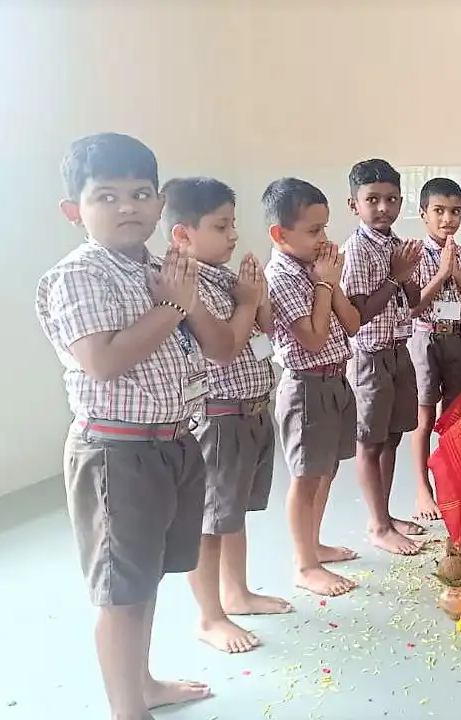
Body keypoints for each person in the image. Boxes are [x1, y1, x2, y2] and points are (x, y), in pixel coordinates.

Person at [36, 133, 234, 718]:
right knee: (121, 592)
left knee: (144, 580)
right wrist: (172, 305)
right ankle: (128, 709)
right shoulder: (78, 275)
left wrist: (183, 296)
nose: (128, 207)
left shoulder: (165, 266)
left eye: (141, 193)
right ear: (75, 211)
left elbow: (220, 347)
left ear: (158, 203)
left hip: (173, 442)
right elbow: (104, 360)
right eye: (107, 196)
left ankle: (142, 683)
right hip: (116, 454)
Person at [161, 177, 291, 655]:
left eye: (233, 223)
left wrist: (256, 299)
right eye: (221, 225)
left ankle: (237, 592)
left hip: (252, 411)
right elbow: (224, 346)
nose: (233, 235)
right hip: (219, 417)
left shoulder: (227, 278)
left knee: (233, 514)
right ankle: (209, 616)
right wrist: (249, 301)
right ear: (183, 234)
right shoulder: (188, 285)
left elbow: (271, 331)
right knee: (210, 521)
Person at [263, 177, 362, 597]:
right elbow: (315, 338)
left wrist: (331, 282)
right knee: (305, 478)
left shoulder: (315, 270)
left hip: (336, 379)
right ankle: (304, 564)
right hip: (306, 387)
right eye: (313, 231)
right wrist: (323, 283)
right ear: (279, 234)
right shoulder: (281, 276)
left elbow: (353, 324)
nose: (324, 238)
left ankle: (314, 544)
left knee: (326, 470)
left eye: (325, 227)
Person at [341, 158, 426, 556]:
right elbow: (357, 316)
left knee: (392, 436)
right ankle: (376, 525)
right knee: (369, 442)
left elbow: (413, 303)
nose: (383, 208)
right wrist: (394, 275)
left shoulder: (398, 245)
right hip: (370, 357)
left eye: (391, 199)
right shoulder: (356, 250)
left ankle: (387, 515)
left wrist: (407, 274)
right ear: (353, 205)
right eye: (372, 199)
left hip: (399, 350)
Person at [407, 177, 461, 521]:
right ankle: (422, 489)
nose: (447, 219)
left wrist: (457, 272)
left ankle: (451, 484)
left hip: (459, 337)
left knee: (454, 417)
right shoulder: (411, 255)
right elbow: (412, 307)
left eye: (455, 211)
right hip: (425, 339)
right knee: (424, 417)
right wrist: (441, 274)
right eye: (439, 211)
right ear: (423, 213)